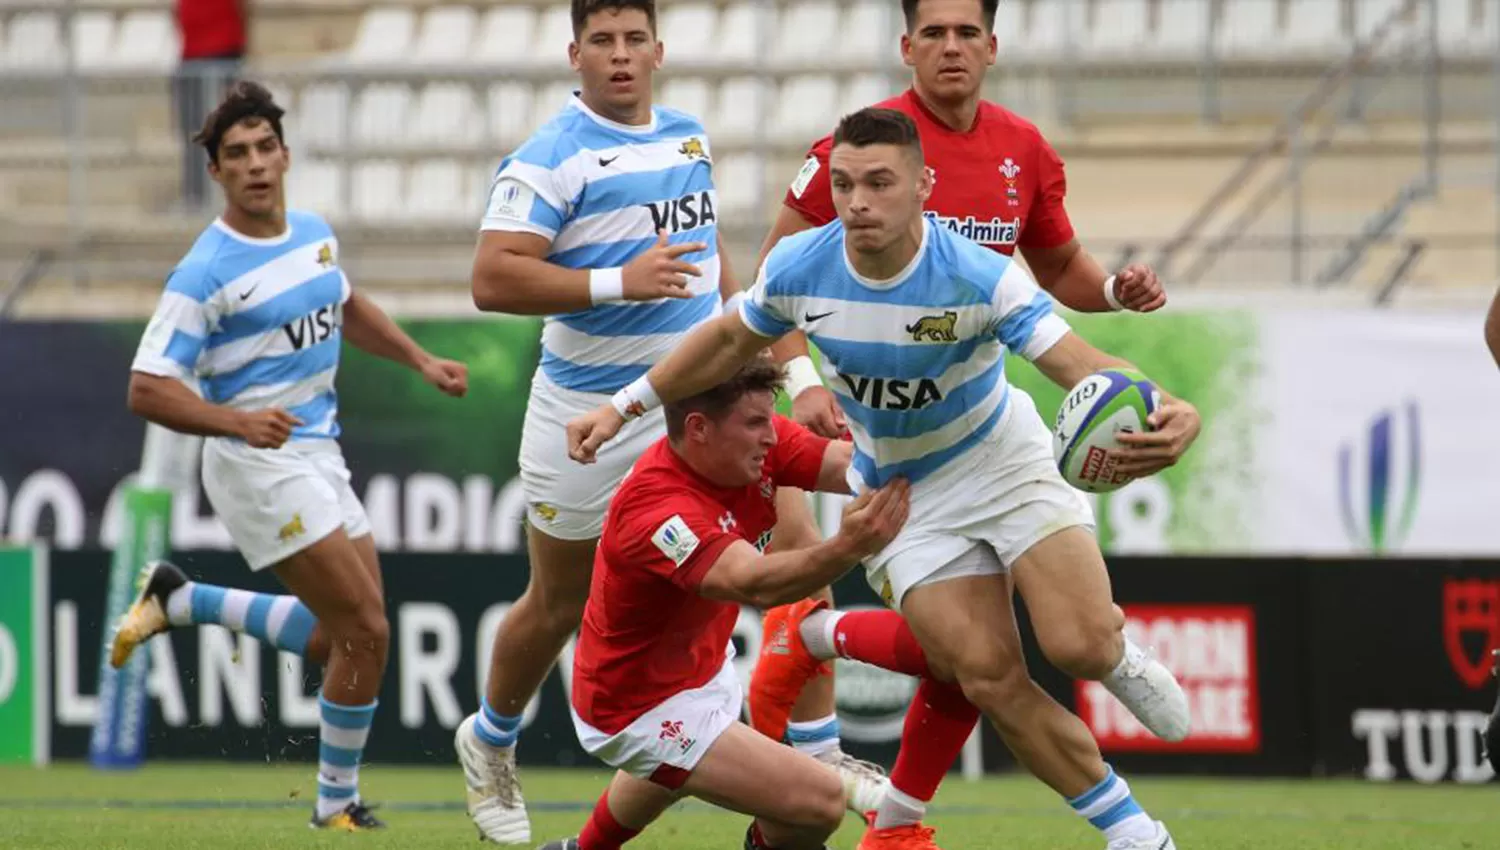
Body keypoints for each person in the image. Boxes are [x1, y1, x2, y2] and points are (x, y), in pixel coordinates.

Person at [569, 108, 1193, 850]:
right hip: (906, 494)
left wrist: (1167, 406)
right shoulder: (803, 266)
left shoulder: (981, 275)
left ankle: (1114, 656)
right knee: (986, 674)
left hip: (1001, 459)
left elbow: (1080, 364)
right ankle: (1134, 834)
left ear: (924, 186)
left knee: (1079, 647)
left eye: (878, 182)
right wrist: (624, 405)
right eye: (842, 185)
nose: (857, 201)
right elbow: (727, 340)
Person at [457, 0, 886, 842]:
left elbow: (715, 264)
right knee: (559, 602)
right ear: (574, 52)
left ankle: (818, 748)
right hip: (591, 415)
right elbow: (491, 279)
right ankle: (491, 739)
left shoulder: (687, 134)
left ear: (659, 48)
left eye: (633, 40)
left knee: (800, 550)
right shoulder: (549, 157)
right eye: (602, 43)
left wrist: (783, 365)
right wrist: (620, 281)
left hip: (699, 410)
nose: (620, 57)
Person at [748, 0, 1173, 749]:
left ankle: (1107, 650)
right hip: (896, 445)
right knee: (971, 656)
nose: (951, 48)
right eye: (934, 34)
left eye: (966, 33)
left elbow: (1059, 265)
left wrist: (1111, 292)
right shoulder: (858, 149)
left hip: (985, 422)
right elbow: (774, 275)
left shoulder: (1025, 149)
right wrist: (802, 381)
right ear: (906, 47)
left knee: (1039, 644)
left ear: (992, 46)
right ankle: (897, 811)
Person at [109, 82, 469, 831]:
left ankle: (180, 600)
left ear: (285, 155)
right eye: (235, 154)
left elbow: (342, 303)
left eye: (264, 148)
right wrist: (234, 423)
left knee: (340, 634)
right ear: (217, 172)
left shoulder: (311, 231)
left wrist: (419, 360)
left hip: (316, 452)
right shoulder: (204, 272)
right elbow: (145, 389)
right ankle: (334, 807)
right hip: (253, 463)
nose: (254, 165)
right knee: (367, 628)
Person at [540, 359, 908, 850]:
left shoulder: (751, 447)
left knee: (675, 766)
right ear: (698, 429)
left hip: (701, 667)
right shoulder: (658, 508)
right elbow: (753, 584)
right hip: (635, 707)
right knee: (818, 805)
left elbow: (850, 467)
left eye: (768, 419)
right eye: (755, 423)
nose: (771, 437)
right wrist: (849, 545)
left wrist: (917, 465)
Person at [173, 0, 249, 211]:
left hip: (222, 52)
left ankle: (232, 194)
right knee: (194, 133)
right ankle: (196, 196)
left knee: (226, 132)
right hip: (191, 54)